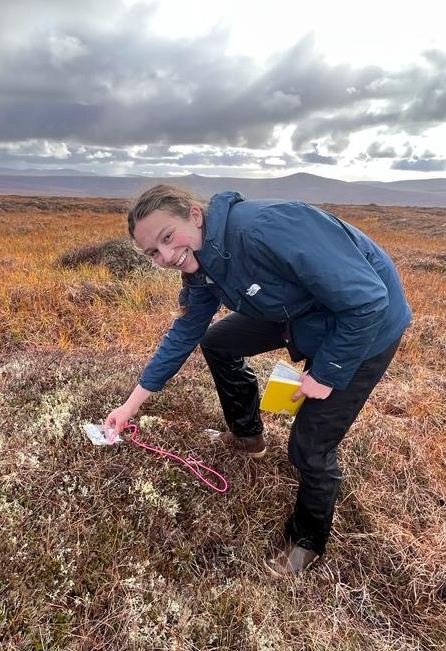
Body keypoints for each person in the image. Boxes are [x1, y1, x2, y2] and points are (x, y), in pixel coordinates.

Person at [105, 184, 412, 576]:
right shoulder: (201, 264)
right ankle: (247, 436)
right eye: (152, 253)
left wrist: (326, 371)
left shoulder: (264, 228)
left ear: (194, 215)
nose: (166, 256)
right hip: (298, 313)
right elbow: (184, 334)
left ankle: (307, 540)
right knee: (217, 341)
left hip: (366, 327)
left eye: (167, 238)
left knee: (310, 447)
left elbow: (368, 299)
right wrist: (130, 406)